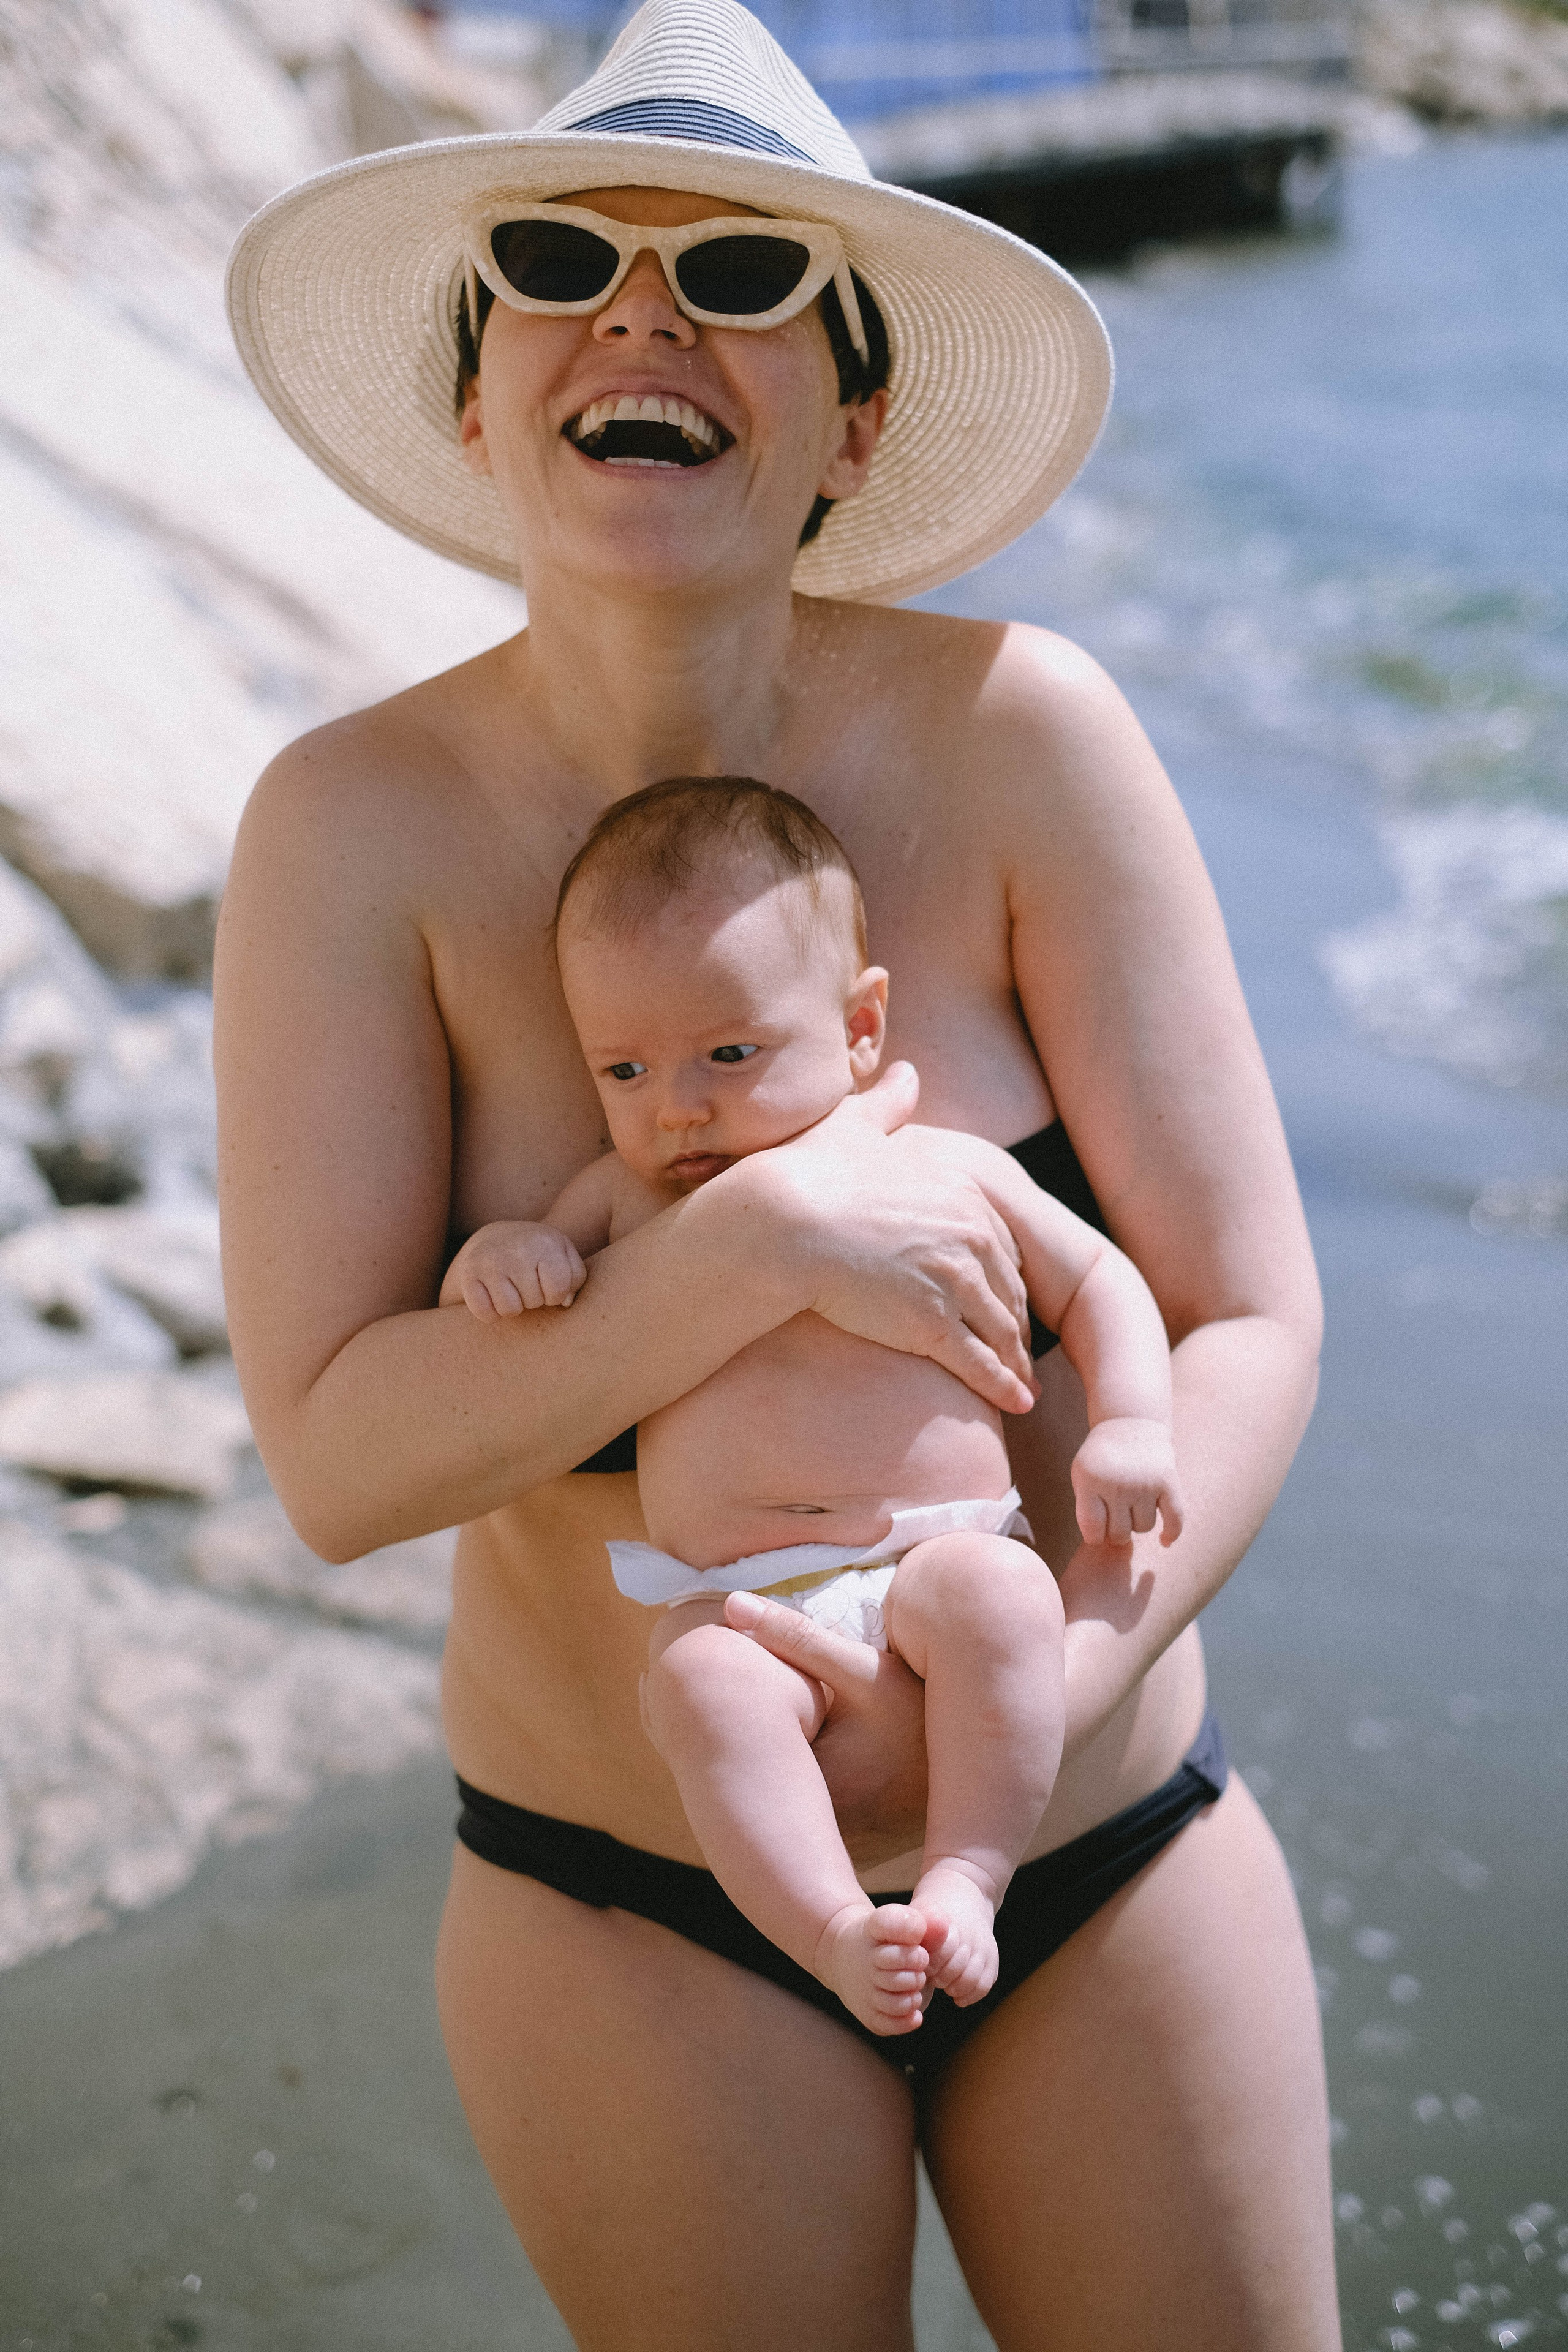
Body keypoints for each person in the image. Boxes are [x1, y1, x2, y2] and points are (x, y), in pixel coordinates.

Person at [219, 1, 1338, 2342]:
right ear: (473, 395)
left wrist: (1033, 1687)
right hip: (637, 1903)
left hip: (1101, 1848)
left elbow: (1247, 1312)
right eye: (559, 258)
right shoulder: (353, 834)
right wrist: (756, 1246)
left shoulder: (1031, 735)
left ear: (854, 413)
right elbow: (335, 1457)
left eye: (740, 277)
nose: (646, 313)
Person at [440, 773, 1184, 2034]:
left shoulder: (939, 1166)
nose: (678, 1103)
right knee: (701, 1697)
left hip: (933, 1550)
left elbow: (1100, 1277)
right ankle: (835, 1927)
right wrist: (501, 1262)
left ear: (858, 1028)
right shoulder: (620, 1206)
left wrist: (1129, 1425)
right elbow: (502, 1293)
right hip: (731, 1595)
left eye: (729, 1054)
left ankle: (967, 1871)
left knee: (1005, 1600)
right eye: (623, 1068)